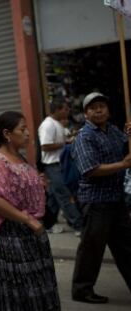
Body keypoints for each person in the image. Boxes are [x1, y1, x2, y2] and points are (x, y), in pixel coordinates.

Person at [0, 111, 60, 311]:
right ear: (7, 133)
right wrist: (27, 219)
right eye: (22, 129)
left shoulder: (19, 157)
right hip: (10, 237)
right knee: (21, 294)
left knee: (38, 287)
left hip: (30, 234)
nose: (27, 134)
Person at [71, 92, 131, 304]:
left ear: (108, 110)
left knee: (126, 245)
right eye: (93, 107)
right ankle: (82, 289)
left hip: (116, 198)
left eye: (102, 106)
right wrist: (122, 165)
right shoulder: (84, 136)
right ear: (86, 113)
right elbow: (90, 169)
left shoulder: (113, 130)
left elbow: (126, 147)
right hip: (96, 201)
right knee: (92, 248)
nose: (98, 110)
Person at [38, 99, 83, 235]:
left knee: (54, 196)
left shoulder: (57, 124)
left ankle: (48, 223)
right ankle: (78, 225)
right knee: (64, 194)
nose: (67, 111)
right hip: (53, 165)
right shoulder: (48, 125)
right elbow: (45, 146)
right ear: (57, 110)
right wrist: (65, 143)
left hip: (61, 163)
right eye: (65, 109)